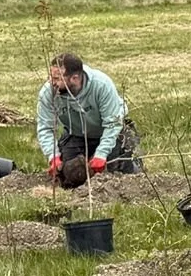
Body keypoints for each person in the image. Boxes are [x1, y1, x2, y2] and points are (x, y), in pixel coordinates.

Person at [36, 53, 139, 184]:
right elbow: (45, 127)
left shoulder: (101, 85)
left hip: (113, 131)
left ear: (74, 78)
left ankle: (134, 164)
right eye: (50, 77)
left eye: (56, 78)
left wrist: (101, 154)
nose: (51, 82)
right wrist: (53, 156)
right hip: (77, 134)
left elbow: (113, 123)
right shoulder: (48, 93)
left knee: (118, 175)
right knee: (70, 175)